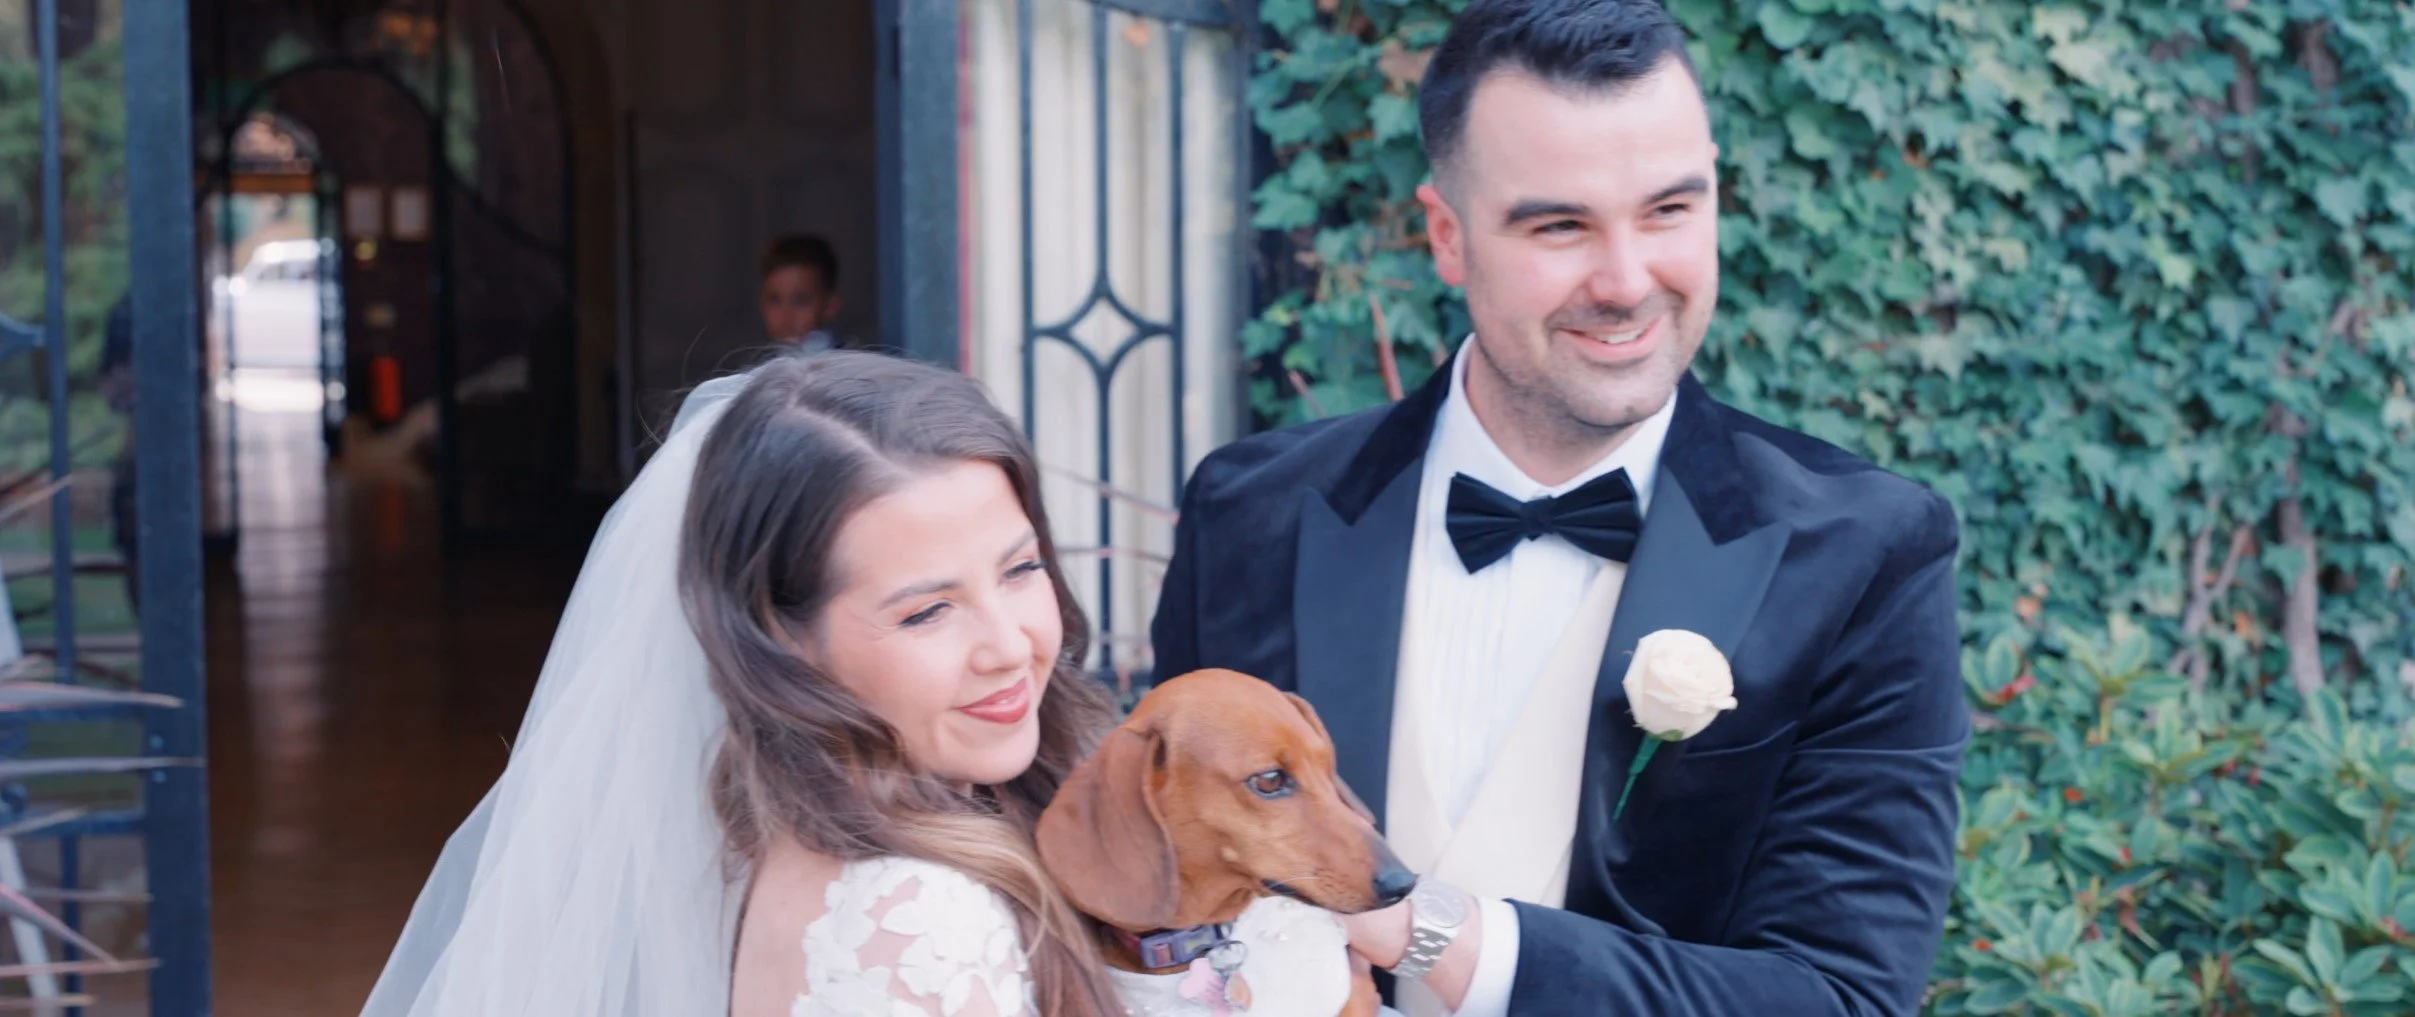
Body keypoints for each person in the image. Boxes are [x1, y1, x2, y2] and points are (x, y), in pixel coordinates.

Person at [1146, 1, 1966, 1015]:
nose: (1626, 283)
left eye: (1669, 211)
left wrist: (1431, 932)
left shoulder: (1867, 553)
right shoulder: (1250, 512)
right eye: (1560, 226)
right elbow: (1164, 882)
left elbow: (1839, 995)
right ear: (1447, 237)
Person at [362, 349, 1123, 1016]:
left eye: (1021, 569)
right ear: (784, 633)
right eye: (927, 611)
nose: (1008, 645)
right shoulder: (910, 921)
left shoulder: (778, 825)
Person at [759, 234, 853, 351]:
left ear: (830, 306)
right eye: (774, 300)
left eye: (799, 301)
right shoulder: (763, 364)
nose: (785, 315)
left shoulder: (848, 366)